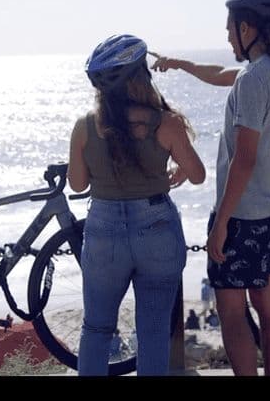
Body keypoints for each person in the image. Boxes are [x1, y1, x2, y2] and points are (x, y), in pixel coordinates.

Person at [151, 0, 270, 376]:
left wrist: (221, 224)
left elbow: (244, 159)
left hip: (242, 214)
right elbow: (223, 75)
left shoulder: (253, 81)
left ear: (247, 28)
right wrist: (179, 64)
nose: (226, 34)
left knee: (232, 311)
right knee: (269, 306)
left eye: (229, 26)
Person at [68, 34, 206, 376]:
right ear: (141, 76)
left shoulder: (85, 126)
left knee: (96, 329)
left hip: (103, 230)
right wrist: (177, 172)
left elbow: (78, 184)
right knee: (154, 332)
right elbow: (198, 174)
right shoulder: (166, 123)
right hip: (156, 226)